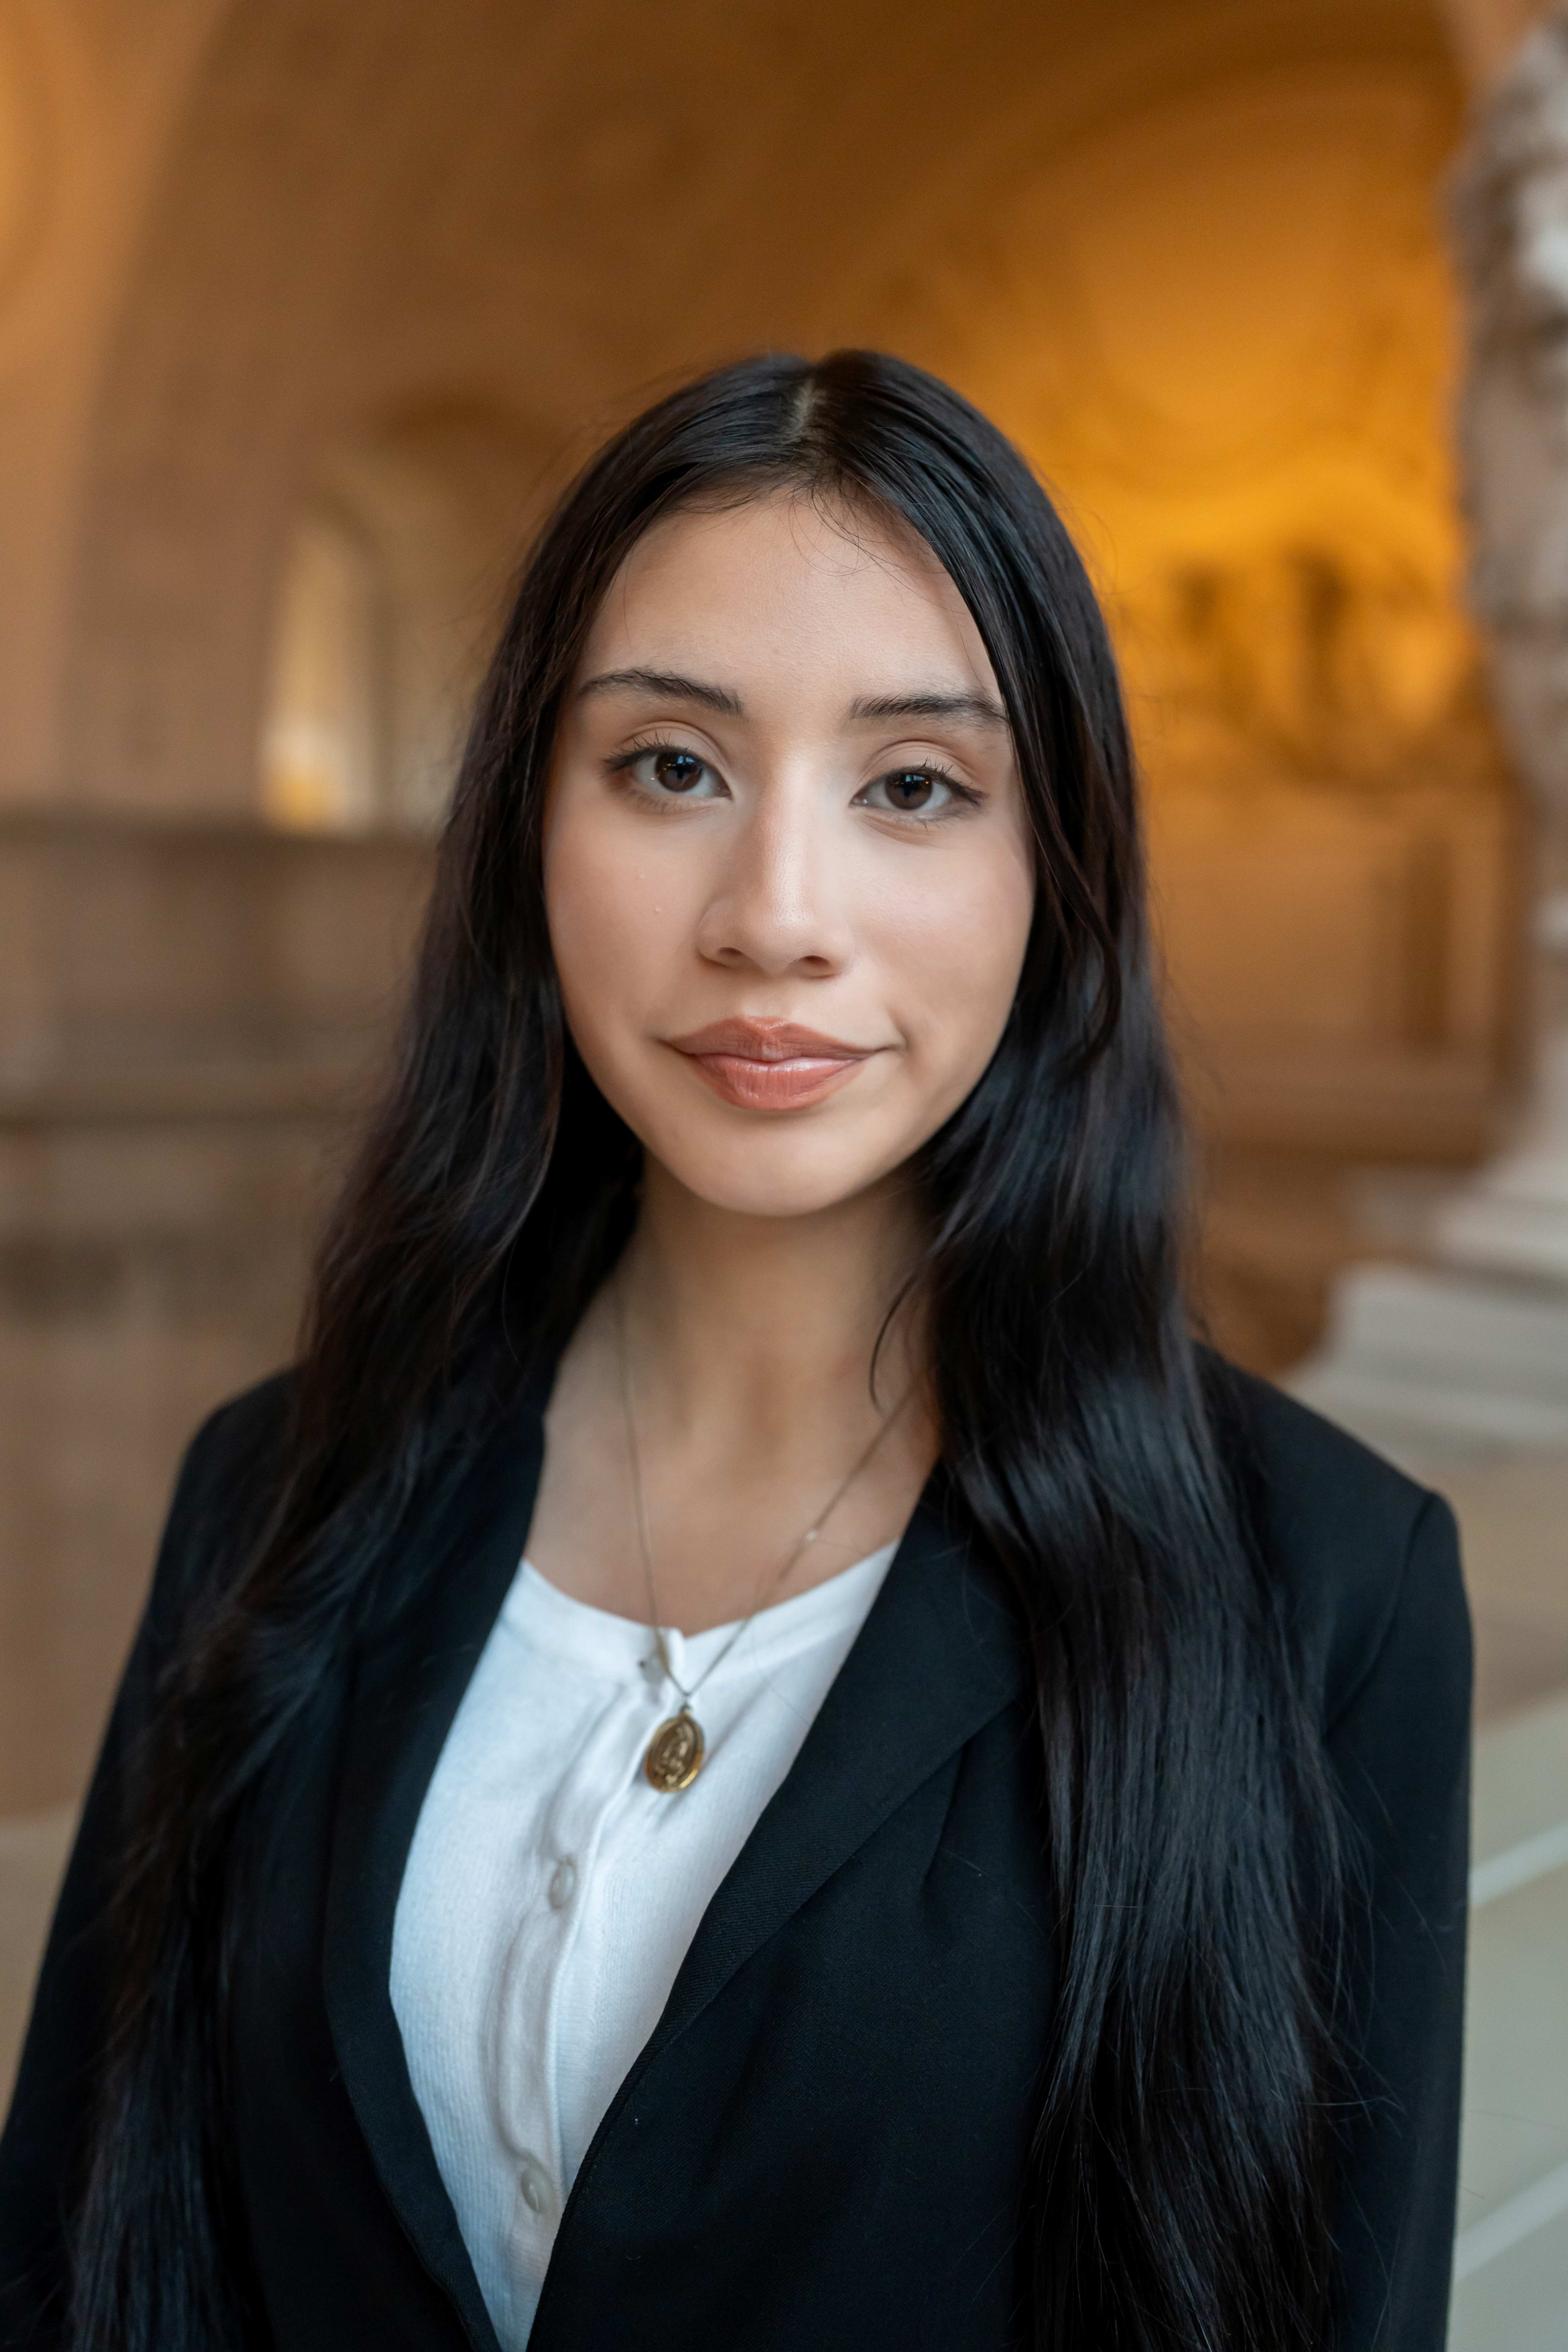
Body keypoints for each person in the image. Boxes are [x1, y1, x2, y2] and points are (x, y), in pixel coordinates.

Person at [0, 352, 1470, 2352]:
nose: (777, 917)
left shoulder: (1327, 1585)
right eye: (672, 767)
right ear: (534, 826)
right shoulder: (275, 1494)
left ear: (1060, 877)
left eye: (915, 789)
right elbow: (90, 2253)